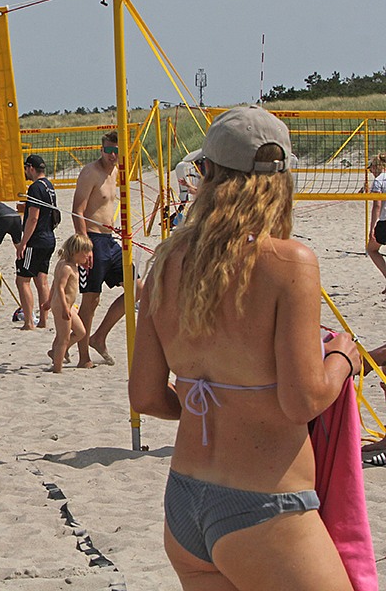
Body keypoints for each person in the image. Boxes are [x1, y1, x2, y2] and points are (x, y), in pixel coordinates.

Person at [129, 106, 356, 590]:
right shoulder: (287, 263)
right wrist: (342, 359)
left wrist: (211, 405)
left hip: (186, 499)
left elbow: (145, 396)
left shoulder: (165, 262)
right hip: (265, 503)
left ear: (207, 173)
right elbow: (302, 400)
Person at [71, 132, 137, 366]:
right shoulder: (90, 172)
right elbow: (77, 211)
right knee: (91, 299)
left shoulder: (118, 172)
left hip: (110, 240)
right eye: (108, 150)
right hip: (93, 240)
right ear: (102, 150)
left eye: (117, 151)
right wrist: (85, 245)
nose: (112, 155)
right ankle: (83, 356)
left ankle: (99, 337)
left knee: (137, 287)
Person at [15, 154, 58, 330]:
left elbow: (33, 217)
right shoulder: (49, 186)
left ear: (31, 168)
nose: (25, 172)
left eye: (26, 168)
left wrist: (23, 242)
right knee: (42, 280)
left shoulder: (35, 188)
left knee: (22, 280)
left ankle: (29, 322)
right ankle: (43, 321)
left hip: (36, 239)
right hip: (49, 238)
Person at [49, 234, 92, 373]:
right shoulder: (66, 267)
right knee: (64, 338)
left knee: (81, 332)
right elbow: (59, 287)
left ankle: (55, 352)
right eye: (85, 252)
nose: (88, 256)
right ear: (75, 252)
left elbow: (54, 284)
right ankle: (57, 368)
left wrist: (48, 301)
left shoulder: (71, 264)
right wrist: (64, 307)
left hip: (68, 305)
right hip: (62, 305)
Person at [366, 153, 386, 293]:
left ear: (376, 167)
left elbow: (377, 206)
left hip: (384, 222)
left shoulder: (379, 180)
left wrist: (372, 228)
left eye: (370, 168)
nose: (371, 171)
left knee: (371, 249)